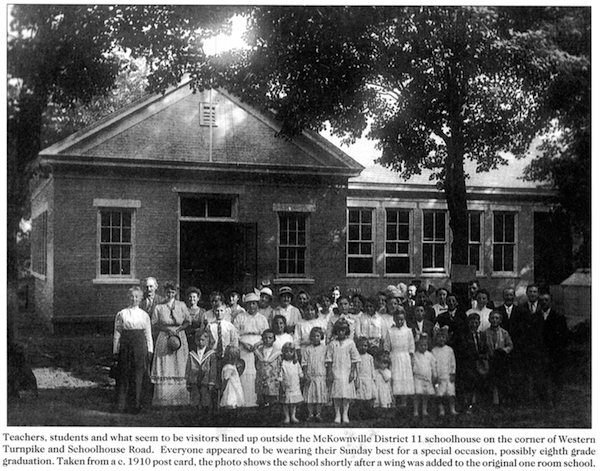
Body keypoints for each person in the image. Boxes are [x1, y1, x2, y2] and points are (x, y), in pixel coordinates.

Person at [112, 286, 153, 414]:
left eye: (136, 297)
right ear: (128, 298)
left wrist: (150, 350)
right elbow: (117, 333)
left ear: (140, 299)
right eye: (132, 296)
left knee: (138, 374)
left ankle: (137, 405)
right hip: (125, 344)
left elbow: (148, 334)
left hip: (140, 345)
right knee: (124, 373)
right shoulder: (122, 313)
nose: (134, 299)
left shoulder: (144, 315)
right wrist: (115, 350)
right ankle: (122, 404)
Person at [150, 281, 191, 406]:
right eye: (168, 292)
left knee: (179, 364)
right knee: (165, 363)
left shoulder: (181, 305)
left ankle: (180, 398)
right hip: (164, 336)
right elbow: (154, 323)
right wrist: (166, 329)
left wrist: (178, 330)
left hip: (179, 336)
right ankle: (164, 398)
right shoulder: (159, 307)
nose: (170, 294)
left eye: (172, 292)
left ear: (176, 293)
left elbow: (188, 321)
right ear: (164, 292)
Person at [530, 292, 569, 408]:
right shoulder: (534, 318)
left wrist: (559, 351)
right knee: (540, 377)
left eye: (546, 300)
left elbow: (564, 337)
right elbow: (532, 336)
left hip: (555, 354)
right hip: (540, 353)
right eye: (541, 300)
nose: (543, 302)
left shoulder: (559, 317)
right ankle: (542, 400)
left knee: (555, 377)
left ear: (550, 302)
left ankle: (556, 400)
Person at [233, 292, 269, 407]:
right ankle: (244, 400)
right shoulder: (240, 317)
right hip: (244, 346)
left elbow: (267, 334)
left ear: (257, 305)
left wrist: (258, 343)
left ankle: (258, 400)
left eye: (254, 303)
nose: (252, 306)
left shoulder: (262, 318)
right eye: (249, 304)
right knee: (244, 371)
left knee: (257, 371)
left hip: (258, 346)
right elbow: (235, 333)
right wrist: (244, 343)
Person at [326, 319, 360, 424]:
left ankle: (345, 413)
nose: (341, 332)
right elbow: (329, 359)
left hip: (347, 370)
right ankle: (337, 414)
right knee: (336, 394)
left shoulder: (350, 343)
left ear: (346, 331)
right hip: (336, 370)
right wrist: (330, 372)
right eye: (339, 330)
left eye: (343, 330)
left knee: (346, 394)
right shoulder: (332, 343)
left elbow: (355, 359)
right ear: (336, 331)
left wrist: (352, 372)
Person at [457, 313, 489, 413]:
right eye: (472, 322)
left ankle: (478, 405)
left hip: (480, 364)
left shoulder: (482, 335)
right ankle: (468, 405)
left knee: (480, 384)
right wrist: (476, 356)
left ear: (479, 323)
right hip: (468, 364)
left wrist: (483, 355)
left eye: (476, 322)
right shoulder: (464, 335)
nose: (474, 324)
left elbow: (485, 348)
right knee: (469, 385)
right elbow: (464, 350)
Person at [384, 309, 415, 410]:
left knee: (405, 379)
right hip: (394, 357)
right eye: (397, 319)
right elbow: (387, 347)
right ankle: (394, 402)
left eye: (402, 319)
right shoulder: (390, 331)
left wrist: (411, 359)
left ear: (404, 319)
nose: (400, 322)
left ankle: (404, 403)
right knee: (395, 379)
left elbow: (411, 347)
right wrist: (387, 359)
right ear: (394, 319)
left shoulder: (408, 331)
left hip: (405, 358)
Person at [483, 310, 513, 407]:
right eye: (492, 318)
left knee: (502, 380)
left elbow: (510, 345)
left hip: (501, 361)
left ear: (500, 320)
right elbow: (482, 347)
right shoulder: (485, 333)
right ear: (489, 319)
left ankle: (503, 400)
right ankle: (494, 401)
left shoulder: (504, 333)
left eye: (497, 318)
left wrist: (503, 350)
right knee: (492, 381)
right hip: (490, 360)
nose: (494, 320)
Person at [185, 330, 217, 418]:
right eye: (199, 340)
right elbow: (188, 367)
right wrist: (188, 381)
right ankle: (195, 417)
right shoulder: (192, 353)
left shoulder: (211, 354)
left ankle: (205, 416)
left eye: (203, 340)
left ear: (207, 340)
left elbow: (213, 369)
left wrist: (212, 381)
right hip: (194, 380)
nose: (200, 342)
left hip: (205, 381)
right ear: (195, 341)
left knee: (205, 398)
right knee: (195, 398)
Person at [302, 327, 328, 422]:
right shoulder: (307, 349)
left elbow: (327, 362)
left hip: (320, 375)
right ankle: (310, 414)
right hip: (310, 375)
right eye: (313, 336)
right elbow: (304, 363)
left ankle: (318, 414)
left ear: (321, 337)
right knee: (310, 396)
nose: (315, 338)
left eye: (317, 336)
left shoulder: (325, 348)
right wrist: (305, 373)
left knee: (319, 395)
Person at [254, 329, 282, 412]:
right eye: (265, 338)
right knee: (261, 397)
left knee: (272, 397)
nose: (267, 340)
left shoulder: (277, 352)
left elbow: (279, 365)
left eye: (270, 338)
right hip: (261, 376)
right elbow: (256, 363)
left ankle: (272, 415)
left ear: (274, 339)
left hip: (272, 378)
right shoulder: (259, 351)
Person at [431, 329, 457, 416]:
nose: (441, 339)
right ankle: (441, 409)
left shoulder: (450, 350)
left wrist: (453, 373)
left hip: (448, 376)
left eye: (443, 337)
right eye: (439, 337)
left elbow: (453, 362)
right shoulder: (434, 351)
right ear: (436, 339)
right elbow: (433, 364)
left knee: (451, 394)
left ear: (446, 338)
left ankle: (452, 409)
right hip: (439, 377)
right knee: (439, 394)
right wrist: (435, 375)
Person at [412, 334, 436, 418]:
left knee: (425, 395)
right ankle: (415, 410)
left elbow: (433, 366)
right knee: (417, 394)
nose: (423, 347)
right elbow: (413, 366)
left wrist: (434, 375)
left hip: (427, 378)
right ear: (418, 345)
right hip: (418, 378)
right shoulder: (415, 355)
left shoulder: (429, 355)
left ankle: (424, 409)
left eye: (425, 345)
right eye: (421, 345)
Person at [280, 342, 304, 424]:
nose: (288, 354)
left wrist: (301, 377)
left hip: (295, 384)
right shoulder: (282, 363)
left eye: (291, 352)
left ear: (294, 353)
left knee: (293, 402)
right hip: (286, 385)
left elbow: (300, 373)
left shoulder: (296, 363)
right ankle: (287, 416)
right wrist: (281, 383)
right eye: (286, 352)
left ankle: (293, 415)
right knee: (286, 402)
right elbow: (280, 375)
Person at [354, 337, 376, 419]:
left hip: (368, 379)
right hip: (360, 378)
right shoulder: (356, 357)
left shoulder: (370, 357)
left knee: (368, 397)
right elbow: (356, 368)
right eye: (361, 345)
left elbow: (372, 367)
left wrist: (373, 377)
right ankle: (359, 414)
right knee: (360, 398)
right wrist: (356, 378)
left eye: (365, 345)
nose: (363, 347)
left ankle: (368, 413)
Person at [219, 346, 245, 410]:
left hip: (231, 387)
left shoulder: (229, 367)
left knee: (230, 400)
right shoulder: (231, 367)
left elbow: (225, 379)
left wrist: (222, 390)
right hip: (233, 387)